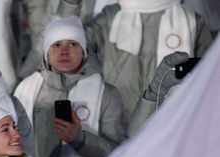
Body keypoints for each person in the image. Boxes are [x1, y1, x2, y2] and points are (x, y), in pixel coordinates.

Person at [13, 16, 128, 157]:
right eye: (56, 44)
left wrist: (80, 139)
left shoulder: (106, 94)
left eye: (73, 44)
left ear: (84, 51)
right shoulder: (25, 90)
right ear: (46, 52)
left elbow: (119, 155)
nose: (64, 51)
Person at [56, 0, 213, 114]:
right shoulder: (110, 17)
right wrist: (70, 4)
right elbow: (67, 44)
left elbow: (210, 83)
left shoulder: (192, 20)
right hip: (118, 131)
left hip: (172, 129)